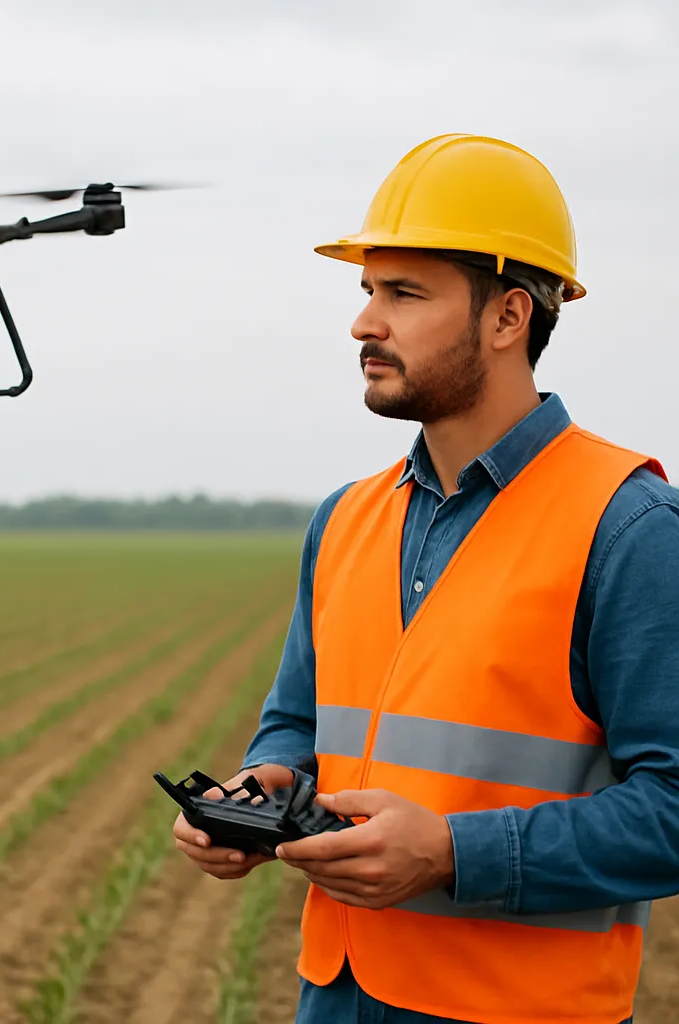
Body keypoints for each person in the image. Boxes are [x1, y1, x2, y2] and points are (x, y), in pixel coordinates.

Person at [172, 133, 679, 1024]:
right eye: (368, 291)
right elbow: (297, 723)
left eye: (403, 293)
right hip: (337, 995)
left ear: (508, 317)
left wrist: (451, 852)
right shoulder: (344, 519)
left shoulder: (630, 526)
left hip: (521, 1010)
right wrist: (264, 789)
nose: (366, 322)